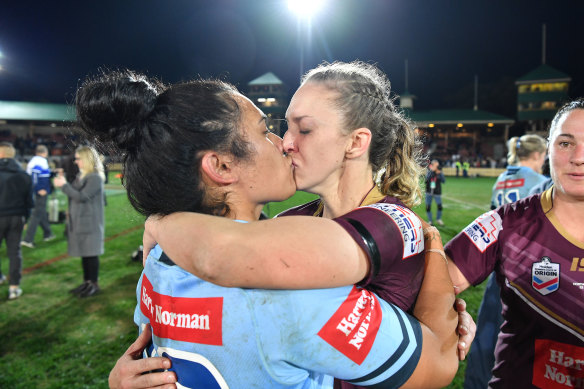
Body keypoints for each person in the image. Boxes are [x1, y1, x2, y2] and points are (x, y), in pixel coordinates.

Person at [75, 70, 460, 388]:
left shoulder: (160, 265)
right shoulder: (295, 289)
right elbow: (438, 361)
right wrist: (435, 260)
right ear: (222, 167)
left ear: (357, 142)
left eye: (302, 130)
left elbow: (157, 343)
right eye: (267, 131)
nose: (284, 143)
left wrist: (160, 222)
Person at [446, 99, 584, 388]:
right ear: (548, 148)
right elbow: (430, 285)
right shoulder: (506, 223)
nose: (578, 157)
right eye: (566, 143)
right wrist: (450, 315)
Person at [463, 133, 548, 389]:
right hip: (530, 272)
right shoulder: (542, 182)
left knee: (490, 333)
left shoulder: (502, 179)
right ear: (538, 155)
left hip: (499, 268)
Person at [53, 146, 105, 298]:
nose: (76, 162)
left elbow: (82, 196)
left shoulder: (95, 177)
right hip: (81, 220)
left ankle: (94, 284)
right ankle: (87, 282)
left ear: (87, 159)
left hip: (90, 222)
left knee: (91, 254)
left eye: (78, 158)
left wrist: (64, 186)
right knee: (85, 253)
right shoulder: (82, 175)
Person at [0, 142, 34, 300]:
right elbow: (30, 202)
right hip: (17, 218)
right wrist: (25, 218)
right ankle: (14, 287)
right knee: (14, 253)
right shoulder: (23, 175)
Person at [21, 144, 55, 247]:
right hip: (39, 192)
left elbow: (40, 174)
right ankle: (28, 239)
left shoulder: (35, 160)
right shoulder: (40, 161)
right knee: (36, 214)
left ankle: (48, 233)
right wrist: (38, 189)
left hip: (36, 191)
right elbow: (35, 175)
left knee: (41, 212)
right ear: (45, 152)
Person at [425, 159, 445, 226]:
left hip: (437, 192)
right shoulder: (429, 172)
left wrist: (439, 174)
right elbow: (426, 180)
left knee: (439, 206)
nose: (437, 167)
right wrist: (432, 172)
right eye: (436, 165)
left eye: (438, 165)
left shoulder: (439, 172)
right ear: (432, 165)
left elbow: (443, 181)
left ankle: (438, 219)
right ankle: (430, 221)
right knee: (428, 207)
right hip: (428, 192)